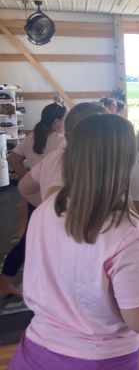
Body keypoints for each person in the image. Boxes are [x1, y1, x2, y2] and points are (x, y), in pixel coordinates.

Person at [9, 114, 139, 370]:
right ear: (127, 163)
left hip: (35, 352)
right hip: (99, 360)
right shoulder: (127, 232)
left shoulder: (45, 210)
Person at [0, 103, 67, 299]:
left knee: (31, 239)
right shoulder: (62, 142)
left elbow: (12, 158)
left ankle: (6, 281)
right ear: (57, 122)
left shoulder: (33, 137)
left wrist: (25, 178)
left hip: (35, 196)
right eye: (65, 118)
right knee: (49, 242)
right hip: (54, 200)